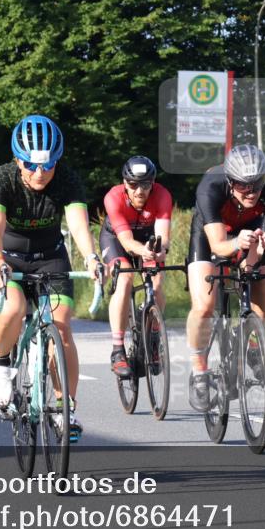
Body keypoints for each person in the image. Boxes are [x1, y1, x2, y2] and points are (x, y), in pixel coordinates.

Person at [0, 114, 102, 440]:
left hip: (50, 259)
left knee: (62, 330)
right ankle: (1, 363)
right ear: (17, 160)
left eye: (47, 166)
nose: (40, 173)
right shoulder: (1, 180)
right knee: (14, 308)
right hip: (7, 259)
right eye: (31, 166)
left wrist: (91, 257)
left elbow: (77, 224)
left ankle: (66, 410)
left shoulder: (67, 179)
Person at [184, 144, 265, 412]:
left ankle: (252, 341)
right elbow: (219, 246)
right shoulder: (211, 187)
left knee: (260, 275)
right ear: (230, 182)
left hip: (250, 230)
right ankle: (199, 371)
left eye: (257, 184)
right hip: (211, 235)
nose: (252, 192)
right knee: (204, 307)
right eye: (244, 186)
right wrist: (235, 244)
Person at [99, 156, 172, 377]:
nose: (139, 191)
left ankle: (152, 335)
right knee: (124, 280)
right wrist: (144, 251)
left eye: (146, 184)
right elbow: (127, 242)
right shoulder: (113, 198)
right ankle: (118, 349)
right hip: (117, 239)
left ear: (153, 183)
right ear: (124, 183)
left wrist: (160, 250)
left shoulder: (162, 195)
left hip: (147, 238)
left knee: (157, 283)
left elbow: (163, 237)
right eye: (133, 185)